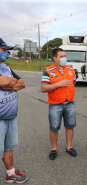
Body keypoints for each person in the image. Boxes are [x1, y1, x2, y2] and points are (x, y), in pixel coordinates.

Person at [41, 48, 77, 160]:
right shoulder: (48, 70)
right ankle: (54, 148)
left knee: (70, 126)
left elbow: (73, 83)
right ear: (54, 58)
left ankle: (69, 147)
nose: (64, 58)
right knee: (54, 128)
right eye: (61, 56)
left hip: (70, 104)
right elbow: (43, 88)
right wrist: (59, 84)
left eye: (64, 55)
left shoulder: (71, 70)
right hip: (55, 105)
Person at [0, 38, 27, 183]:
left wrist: (8, 85)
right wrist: (9, 83)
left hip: (10, 115)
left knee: (8, 146)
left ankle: (10, 174)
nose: (6, 53)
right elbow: (3, 81)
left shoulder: (6, 68)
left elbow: (21, 83)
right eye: (3, 50)